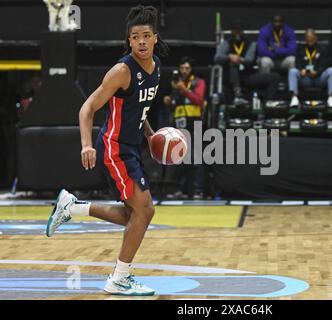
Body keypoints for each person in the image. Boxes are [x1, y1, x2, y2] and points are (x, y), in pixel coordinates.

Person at [46, 5, 169, 296]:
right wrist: (86, 144)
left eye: (146, 36)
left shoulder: (156, 68)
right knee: (145, 210)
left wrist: (152, 137)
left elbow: (140, 110)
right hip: (113, 148)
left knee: (134, 216)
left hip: (130, 148)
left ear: (155, 38)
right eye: (135, 36)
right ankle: (119, 278)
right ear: (128, 40)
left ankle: (72, 207)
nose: (140, 41)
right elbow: (87, 107)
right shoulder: (122, 70)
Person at [163, 57, 206, 199]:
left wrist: (184, 89)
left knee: (196, 156)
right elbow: (175, 105)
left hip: (194, 122)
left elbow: (199, 100)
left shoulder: (198, 82)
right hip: (179, 123)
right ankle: (181, 189)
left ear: (191, 69)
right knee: (179, 156)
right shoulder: (176, 84)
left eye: (187, 68)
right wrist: (169, 101)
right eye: (182, 68)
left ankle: (198, 189)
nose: (184, 71)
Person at [214, 21, 280, 104]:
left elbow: (249, 60)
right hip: (230, 77)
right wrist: (229, 57)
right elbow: (217, 58)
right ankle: (238, 95)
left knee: (275, 77)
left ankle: (268, 102)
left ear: (243, 32)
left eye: (239, 31)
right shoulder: (226, 43)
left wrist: (239, 59)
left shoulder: (250, 44)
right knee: (233, 64)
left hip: (247, 76)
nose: (237, 33)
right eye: (235, 31)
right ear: (231, 32)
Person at [288, 29, 332, 107]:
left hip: (319, 78)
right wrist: (301, 70)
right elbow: (298, 64)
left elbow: (324, 65)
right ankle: (294, 97)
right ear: (305, 40)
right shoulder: (300, 49)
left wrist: (317, 72)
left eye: (312, 40)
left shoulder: (323, 49)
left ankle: (331, 97)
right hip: (306, 78)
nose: (310, 43)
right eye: (308, 41)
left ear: (316, 39)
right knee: (293, 71)